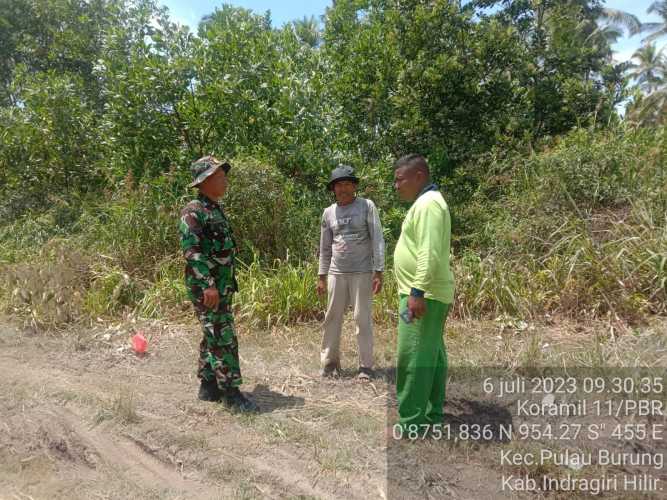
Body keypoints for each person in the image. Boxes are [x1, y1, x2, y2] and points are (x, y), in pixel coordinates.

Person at [179, 156, 258, 412]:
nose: (225, 180)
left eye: (224, 175)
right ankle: (231, 393)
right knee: (222, 337)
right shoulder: (193, 211)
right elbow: (192, 251)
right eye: (219, 176)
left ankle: (209, 385)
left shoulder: (214, 208)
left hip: (221, 286)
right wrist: (208, 284)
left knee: (211, 333)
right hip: (208, 288)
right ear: (204, 181)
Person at [392, 153, 455, 430]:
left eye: (399, 179)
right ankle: (431, 414)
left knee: (413, 356)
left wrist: (416, 293)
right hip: (428, 293)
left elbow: (428, 253)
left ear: (419, 176)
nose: (396, 186)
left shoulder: (429, 204)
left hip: (422, 295)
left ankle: (411, 423)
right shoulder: (429, 202)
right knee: (430, 354)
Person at [317, 164, 385, 380]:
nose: (343, 188)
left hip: (363, 272)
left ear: (354, 186)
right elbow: (325, 247)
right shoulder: (328, 213)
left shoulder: (366, 206)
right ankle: (329, 363)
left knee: (361, 318)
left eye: (347, 184)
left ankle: (365, 366)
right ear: (333, 189)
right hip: (336, 273)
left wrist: (379, 270)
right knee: (332, 318)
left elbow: (377, 238)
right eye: (339, 185)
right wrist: (321, 276)